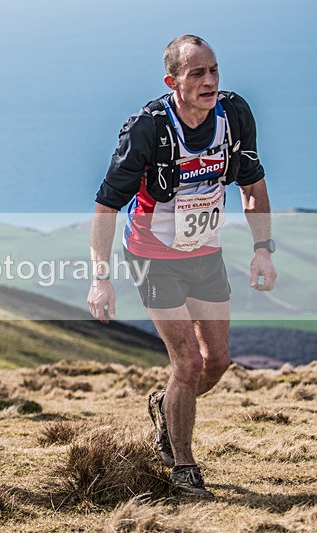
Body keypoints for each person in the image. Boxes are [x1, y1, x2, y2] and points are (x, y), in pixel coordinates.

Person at [88, 35, 277, 498]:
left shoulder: (234, 116)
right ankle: (182, 468)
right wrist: (100, 277)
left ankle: (165, 406)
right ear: (172, 81)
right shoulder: (148, 130)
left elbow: (252, 185)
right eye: (197, 74)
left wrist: (262, 249)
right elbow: (106, 206)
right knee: (188, 362)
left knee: (217, 362)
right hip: (153, 257)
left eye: (213, 70)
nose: (210, 81)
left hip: (205, 253)